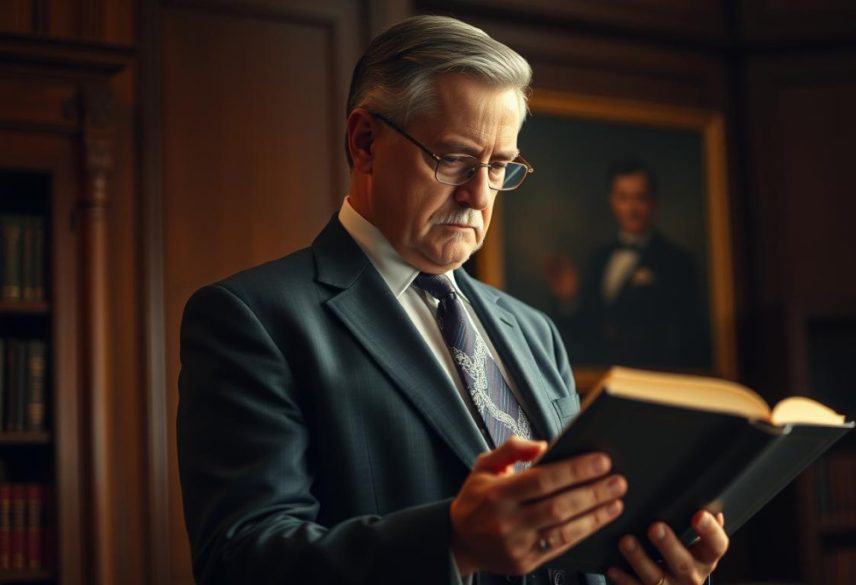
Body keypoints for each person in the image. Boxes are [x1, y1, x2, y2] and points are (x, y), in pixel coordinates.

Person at [176, 15, 728, 585]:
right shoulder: (254, 318)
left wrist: (651, 569)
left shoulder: (533, 329)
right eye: (454, 160)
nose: (478, 194)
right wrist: (453, 543)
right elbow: (239, 560)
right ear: (365, 142)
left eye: (499, 167)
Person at [545, 161, 709, 370]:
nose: (631, 209)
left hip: (651, 383)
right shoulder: (599, 257)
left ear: (654, 202)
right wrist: (569, 300)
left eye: (640, 198)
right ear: (612, 201)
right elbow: (586, 331)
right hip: (600, 377)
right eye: (623, 198)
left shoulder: (678, 261)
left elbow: (689, 340)